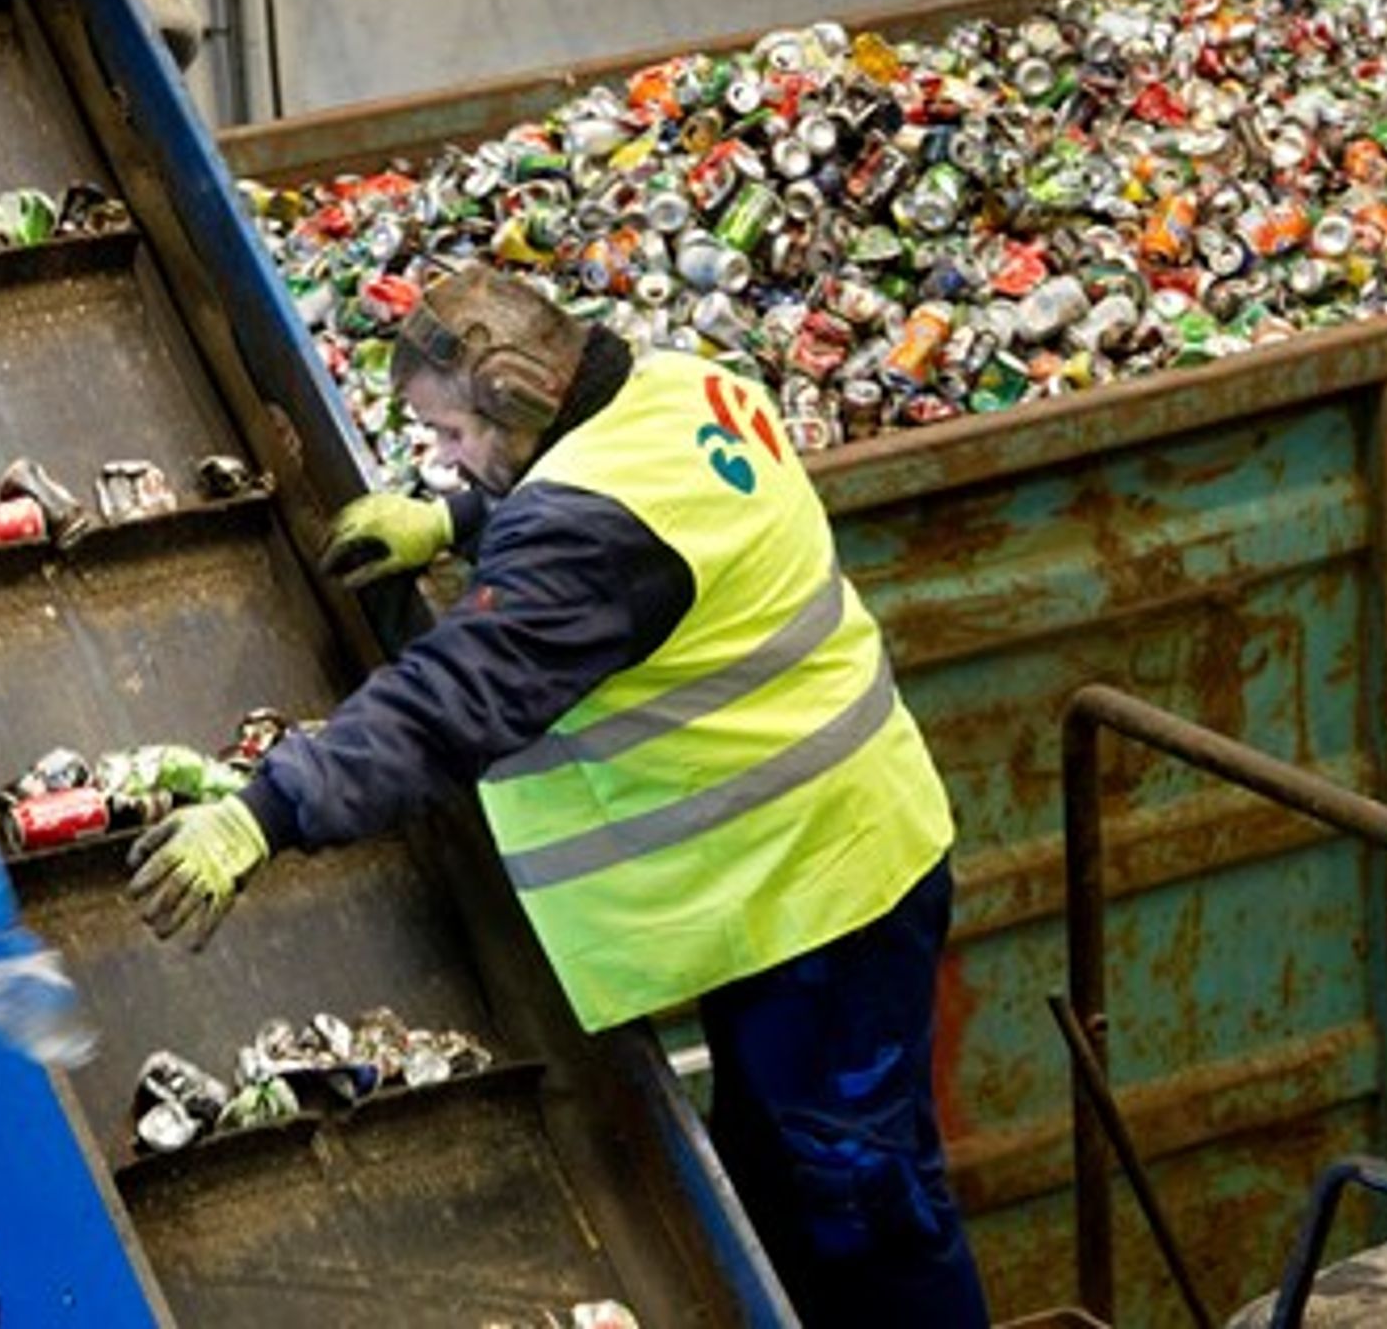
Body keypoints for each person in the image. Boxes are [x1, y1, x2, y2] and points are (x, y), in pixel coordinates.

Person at [125, 265, 990, 1326]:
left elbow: (450, 701)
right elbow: (638, 515)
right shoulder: (675, 384)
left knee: (864, 1205)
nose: (444, 454)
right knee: (782, 1175)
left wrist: (263, 813)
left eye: (451, 434)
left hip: (817, 897)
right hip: (822, 859)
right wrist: (458, 517)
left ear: (521, 397)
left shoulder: (587, 531)